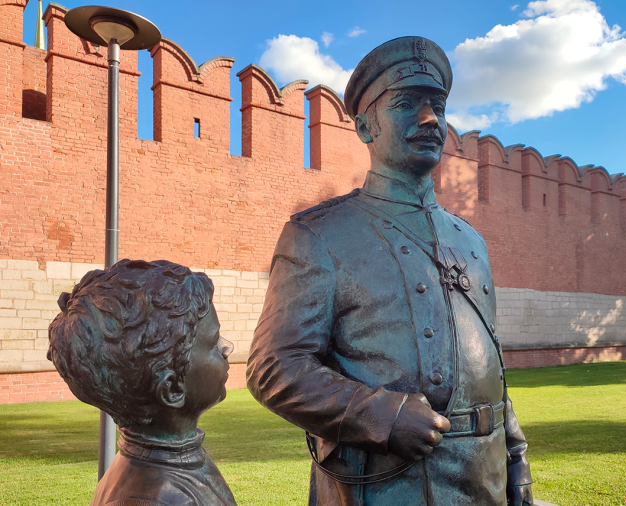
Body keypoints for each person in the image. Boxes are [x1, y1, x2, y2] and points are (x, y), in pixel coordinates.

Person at [247, 36, 533, 506]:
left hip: (486, 483)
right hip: (382, 487)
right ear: (364, 126)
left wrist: (517, 461)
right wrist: (379, 414)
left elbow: (488, 369)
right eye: (406, 104)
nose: (429, 119)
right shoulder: (319, 235)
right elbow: (272, 366)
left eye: (437, 105)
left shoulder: (472, 243)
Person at [48, 259, 237, 506]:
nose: (226, 349)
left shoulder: (171, 460)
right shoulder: (160, 498)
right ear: (172, 389)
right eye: (213, 343)